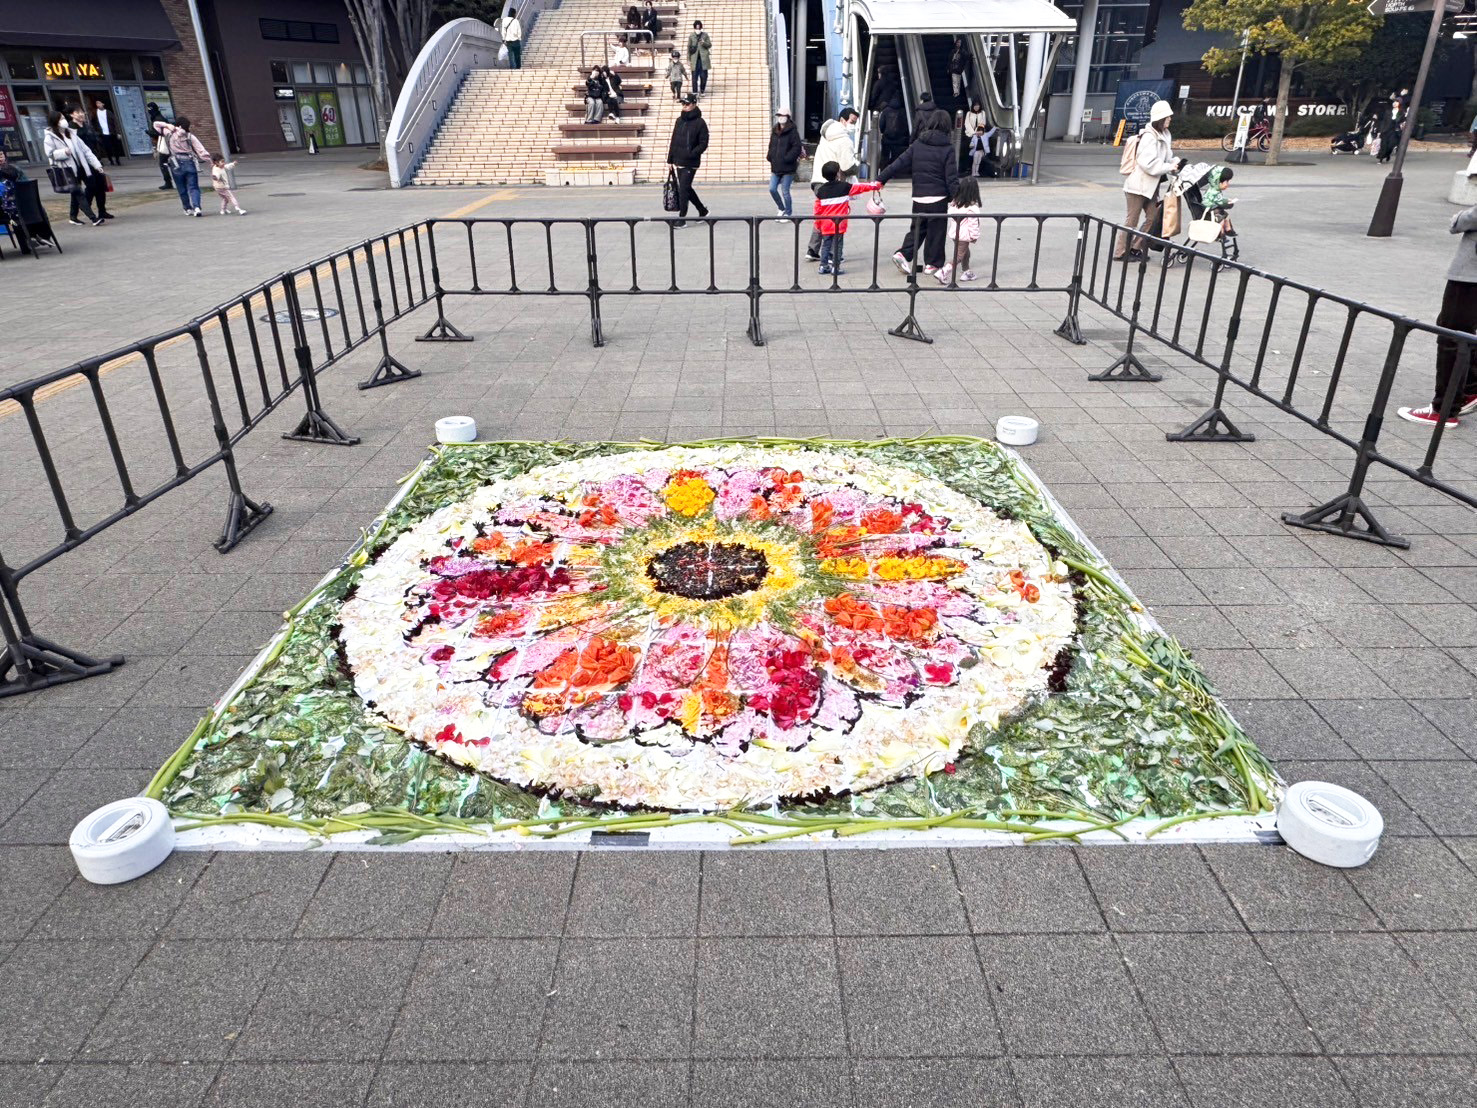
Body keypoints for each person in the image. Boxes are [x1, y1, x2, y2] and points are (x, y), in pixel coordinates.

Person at [1397, 206, 1477, 428]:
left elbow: (1468, 219)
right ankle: (1469, 390)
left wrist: (1459, 218)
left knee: (1452, 333)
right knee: (1461, 329)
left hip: (1471, 273)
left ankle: (1444, 410)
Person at [878, 110, 958, 274]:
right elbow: (951, 177)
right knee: (936, 232)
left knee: (917, 228)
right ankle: (932, 264)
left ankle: (903, 253)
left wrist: (881, 179)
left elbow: (898, 163)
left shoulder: (918, 144)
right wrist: (956, 196)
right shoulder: (948, 148)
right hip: (938, 198)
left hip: (919, 197)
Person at [1114, 99, 1176, 261]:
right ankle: (1120, 252)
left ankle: (1135, 247)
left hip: (1151, 186)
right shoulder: (1149, 137)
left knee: (1154, 217)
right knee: (1132, 220)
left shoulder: (1164, 134)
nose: (1170, 119)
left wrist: (1174, 163)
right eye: (1168, 116)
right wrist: (1169, 167)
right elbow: (1148, 164)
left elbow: (1167, 157)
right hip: (1137, 186)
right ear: (1160, 118)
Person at [805, 108, 860, 260]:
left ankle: (813, 250)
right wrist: (858, 165)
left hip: (817, 181)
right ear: (843, 120)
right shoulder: (844, 140)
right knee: (836, 218)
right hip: (833, 184)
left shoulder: (825, 135)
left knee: (822, 216)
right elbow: (847, 167)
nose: (853, 125)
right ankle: (832, 254)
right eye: (852, 122)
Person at [812, 160, 882, 275]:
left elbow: (817, 210)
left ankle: (823, 266)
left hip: (825, 224)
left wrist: (818, 224)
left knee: (826, 245)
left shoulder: (821, 191)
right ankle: (836, 267)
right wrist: (875, 186)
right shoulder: (844, 187)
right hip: (839, 224)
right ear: (838, 174)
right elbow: (860, 187)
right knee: (838, 246)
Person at [42, 111, 103, 226]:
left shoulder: (71, 133)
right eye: (60, 119)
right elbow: (50, 154)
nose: (64, 121)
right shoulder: (50, 137)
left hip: (80, 167)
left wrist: (96, 165)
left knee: (84, 189)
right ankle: (93, 218)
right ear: (55, 122)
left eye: (63, 118)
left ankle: (73, 216)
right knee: (77, 192)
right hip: (66, 170)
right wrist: (63, 152)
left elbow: (85, 150)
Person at [154, 115, 212, 216]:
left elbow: (155, 124)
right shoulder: (190, 136)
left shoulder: (169, 133)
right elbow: (201, 151)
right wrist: (210, 161)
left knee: (181, 188)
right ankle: (197, 207)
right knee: (193, 187)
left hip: (175, 163)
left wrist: (168, 125)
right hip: (189, 162)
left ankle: (187, 208)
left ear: (177, 124)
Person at [666, 93, 709, 226]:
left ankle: (682, 218)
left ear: (694, 104)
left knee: (683, 188)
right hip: (678, 160)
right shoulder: (679, 120)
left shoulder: (700, 122)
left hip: (691, 162)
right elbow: (674, 140)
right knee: (686, 188)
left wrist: (692, 153)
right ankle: (702, 210)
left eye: (687, 104)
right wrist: (670, 159)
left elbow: (704, 142)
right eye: (683, 104)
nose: (684, 106)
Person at [68, 106, 111, 221]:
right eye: (77, 112)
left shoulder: (88, 126)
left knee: (101, 186)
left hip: (94, 159)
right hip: (82, 163)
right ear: (72, 115)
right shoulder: (71, 128)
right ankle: (84, 208)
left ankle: (102, 211)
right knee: (90, 187)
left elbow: (95, 142)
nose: (81, 114)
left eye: (82, 112)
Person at [938, 176, 982, 284]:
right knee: (959, 255)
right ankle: (944, 271)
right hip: (964, 236)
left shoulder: (956, 204)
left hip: (955, 234)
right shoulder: (972, 209)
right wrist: (974, 237)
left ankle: (966, 271)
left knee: (965, 253)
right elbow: (973, 225)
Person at [766, 108, 802, 219]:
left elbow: (797, 147)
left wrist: (788, 158)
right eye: (779, 115)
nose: (781, 117)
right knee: (772, 189)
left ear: (788, 117)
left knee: (785, 191)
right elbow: (771, 145)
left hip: (788, 167)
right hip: (776, 166)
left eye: (783, 115)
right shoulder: (774, 130)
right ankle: (781, 208)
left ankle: (788, 212)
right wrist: (770, 156)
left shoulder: (793, 131)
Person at [147, 102, 173, 190]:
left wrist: (149, 132)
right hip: (165, 143)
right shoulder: (159, 117)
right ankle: (169, 181)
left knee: (163, 164)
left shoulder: (157, 119)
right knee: (168, 163)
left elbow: (158, 133)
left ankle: (168, 182)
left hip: (164, 143)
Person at [878, 97, 908, 168]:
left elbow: (881, 124)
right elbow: (905, 124)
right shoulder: (903, 111)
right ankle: (895, 172)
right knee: (896, 156)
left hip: (887, 137)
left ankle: (883, 171)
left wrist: (883, 132)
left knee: (885, 155)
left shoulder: (885, 111)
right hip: (899, 138)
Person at [93, 98, 123, 165]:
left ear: (103, 104)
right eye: (97, 103)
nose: (98, 104)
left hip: (112, 132)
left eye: (99, 103)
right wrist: (97, 131)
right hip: (103, 133)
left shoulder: (108, 112)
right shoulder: (95, 113)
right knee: (107, 148)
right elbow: (94, 122)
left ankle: (117, 160)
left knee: (115, 147)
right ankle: (111, 160)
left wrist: (118, 132)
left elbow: (115, 122)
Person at [687, 20, 712, 97]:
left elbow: (709, 45)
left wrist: (703, 42)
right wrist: (688, 59)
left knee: (704, 76)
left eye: (699, 28)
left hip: (703, 59)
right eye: (696, 28)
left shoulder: (705, 35)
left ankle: (702, 90)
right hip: (694, 59)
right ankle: (695, 91)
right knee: (694, 77)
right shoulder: (691, 36)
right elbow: (689, 47)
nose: (698, 30)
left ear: (701, 28)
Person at [962, 99, 986, 170]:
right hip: (969, 135)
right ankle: (967, 167)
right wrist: (973, 132)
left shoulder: (982, 113)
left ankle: (976, 169)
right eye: (975, 105)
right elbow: (967, 123)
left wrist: (977, 132)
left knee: (977, 151)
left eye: (978, 105)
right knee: (968, 151)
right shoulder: (969, 113)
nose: (976, 107)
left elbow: (983, 123)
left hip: (979, 135)